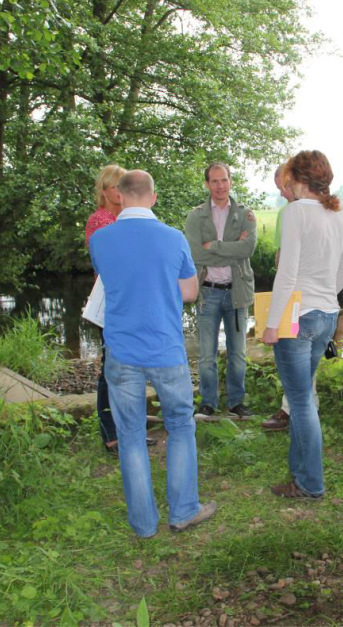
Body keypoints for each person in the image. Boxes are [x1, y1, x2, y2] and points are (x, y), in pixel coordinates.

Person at [90, 170, 216, 537]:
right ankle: (183, 511)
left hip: (121, 351)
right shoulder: (173, 238)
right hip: (165, 348)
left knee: (129, 434)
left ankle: (144, 525)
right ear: (153, 197)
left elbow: (111, 281)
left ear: (120, 197)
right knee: (180, 426)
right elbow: (190, 292)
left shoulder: (100, 239)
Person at [262, 151, 343, 499]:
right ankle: (300, 474)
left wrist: (273, 324)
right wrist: (327, 293)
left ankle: (311, 483)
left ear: (298, 180)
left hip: (297, 318)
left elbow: (287, 273)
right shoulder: (339, 210)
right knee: (303, 398)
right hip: (327, 315)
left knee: (300, 402)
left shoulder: (296, 212)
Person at [84, 164, 152, 448]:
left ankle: (130, 428)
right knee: (110, 369)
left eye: (121, 185)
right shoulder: (101, 221)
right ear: (104, 191)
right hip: (114, 304)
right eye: (113, 186)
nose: (118, 191)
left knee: (132, 366)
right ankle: (111, 433)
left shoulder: (122, 219)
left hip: (131, 302)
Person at [184, 163, 257, 418]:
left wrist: (214, 246)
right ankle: (208, 403)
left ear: (230, 181)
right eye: (214, 181)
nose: (220, 186)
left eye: (224, 180)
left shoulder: (245, 214)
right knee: (206, 354)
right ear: (207, 184)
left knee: (238, 353)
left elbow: (247, 249)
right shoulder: (195, 216)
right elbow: (195, 253)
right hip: (208, 292)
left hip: (237, 292)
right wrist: (229, 250)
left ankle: (237, 402)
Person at [262, 165, 318, 432]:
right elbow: (280, 257)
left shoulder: (311, 212)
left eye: (284, 187)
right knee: (296, 357)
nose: (283, 194)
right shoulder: (286, 212)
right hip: (294, 296)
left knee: (301, 357)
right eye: (279, 190)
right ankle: (297, 407)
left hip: (307, 298)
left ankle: (296, 410)